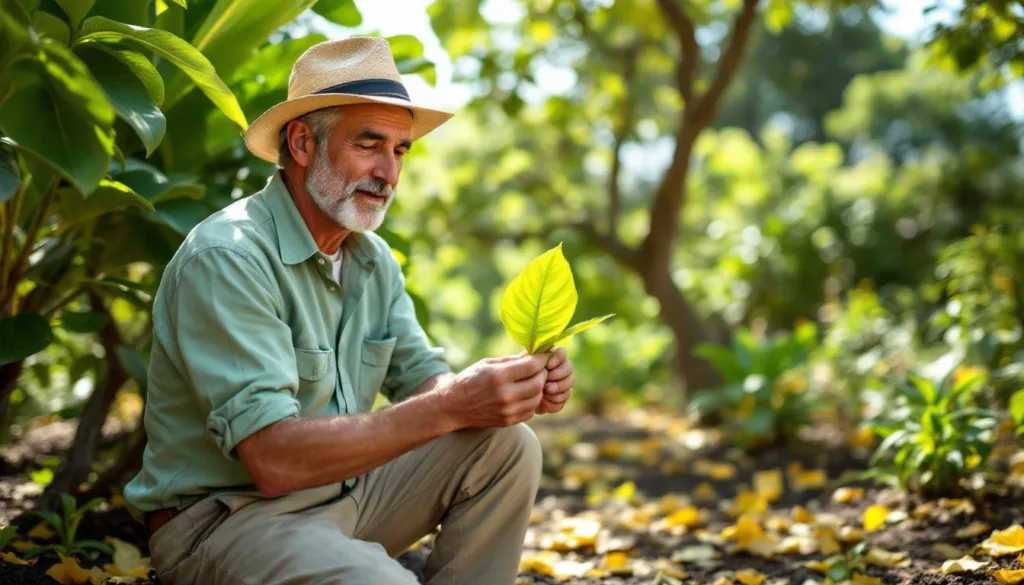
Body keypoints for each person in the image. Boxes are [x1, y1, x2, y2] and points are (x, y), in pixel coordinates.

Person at [122, 37, 575, 585]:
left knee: (507, 445)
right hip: (227, 524)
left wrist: (502, 387)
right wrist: (452, 404)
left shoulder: (371, 260)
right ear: (302, 143)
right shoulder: (228, 257)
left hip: (345, 501)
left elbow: (424, 379)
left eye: (400, 150)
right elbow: (273, 460)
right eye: (369, 144)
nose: (389, 173)